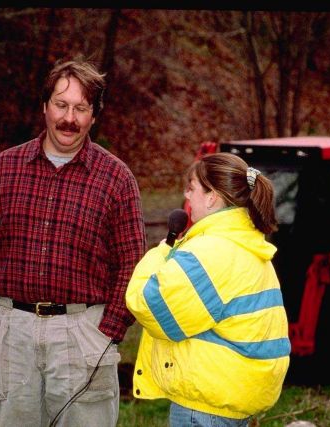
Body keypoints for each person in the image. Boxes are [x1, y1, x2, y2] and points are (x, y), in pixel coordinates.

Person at [0, 58, 146, 427]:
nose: (69, 118)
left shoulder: (116, 178)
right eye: (61, 105)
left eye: (81, 108)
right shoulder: (4, 168)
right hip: (12, 331)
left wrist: (107, 332)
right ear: (44, 107)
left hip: (82, 331)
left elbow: (132, 264)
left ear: (94, 116)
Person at [125, 152, 290, 427]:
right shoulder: (248, 244)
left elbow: (149, 305)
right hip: (235, 400)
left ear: (212, 197)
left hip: (205, 408)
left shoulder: (211, 251)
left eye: (191, 189)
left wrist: (160, 253)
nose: (186, 197)